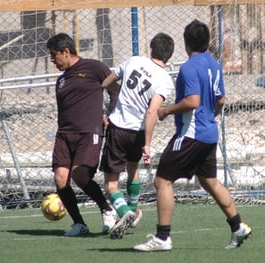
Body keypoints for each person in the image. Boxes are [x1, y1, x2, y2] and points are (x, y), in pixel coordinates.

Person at [134, 20, 252, 251]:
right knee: (210, 181)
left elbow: (192, 101)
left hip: (190, 134)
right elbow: (221, 100)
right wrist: (209, 117)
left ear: (186, 43)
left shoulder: (189, 67)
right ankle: (238, 226)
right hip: (208, 133)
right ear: (207, 42)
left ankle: (162, 237)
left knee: (163, 180)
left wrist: (166, 110)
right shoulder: (215, 65)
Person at [100, 32, 175, 239]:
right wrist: (147, 145)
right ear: (168, 56)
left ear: (151, 48)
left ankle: (125, 212)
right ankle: (133, 206)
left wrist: (114, 89)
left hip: (118, 127)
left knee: (110, 184)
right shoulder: (166, 80)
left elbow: (107, 82)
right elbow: (152, 112)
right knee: (133, 167)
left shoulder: (133, 61)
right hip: (139, 132)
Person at [46, 33, 119, 236]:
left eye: (54, 55)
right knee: (61, 180)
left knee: (79, 175)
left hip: (89, 133)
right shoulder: (60, 80)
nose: (52, 60)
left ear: (66, 52)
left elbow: (116, 90)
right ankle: (79, 223)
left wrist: (111, 115)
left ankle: (107, 209)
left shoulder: (94, 68)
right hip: (64, 135)